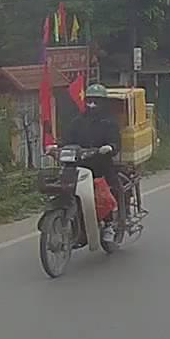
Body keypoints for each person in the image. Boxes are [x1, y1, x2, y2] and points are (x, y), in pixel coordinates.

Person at [64, 84, 123, 236]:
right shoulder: (77, 121)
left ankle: (109, 223)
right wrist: (56, 147)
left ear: (103, 103)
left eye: (96, 101)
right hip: (78, 165)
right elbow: (67, 140)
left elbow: (115, 143)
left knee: (108, 190)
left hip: (100, 165)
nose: (92, 105)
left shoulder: (109, 122)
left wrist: (109, 147)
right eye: (89, 101)